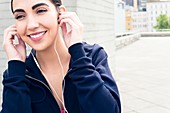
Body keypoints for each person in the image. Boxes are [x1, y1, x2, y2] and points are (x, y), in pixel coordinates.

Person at [1, 0, 121, 113]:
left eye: (40, 11)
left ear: (60, 14)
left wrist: (78, 56)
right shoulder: (17, 74)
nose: (31, 25)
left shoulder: (92, 56)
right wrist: (16, 64)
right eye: (20, 16)